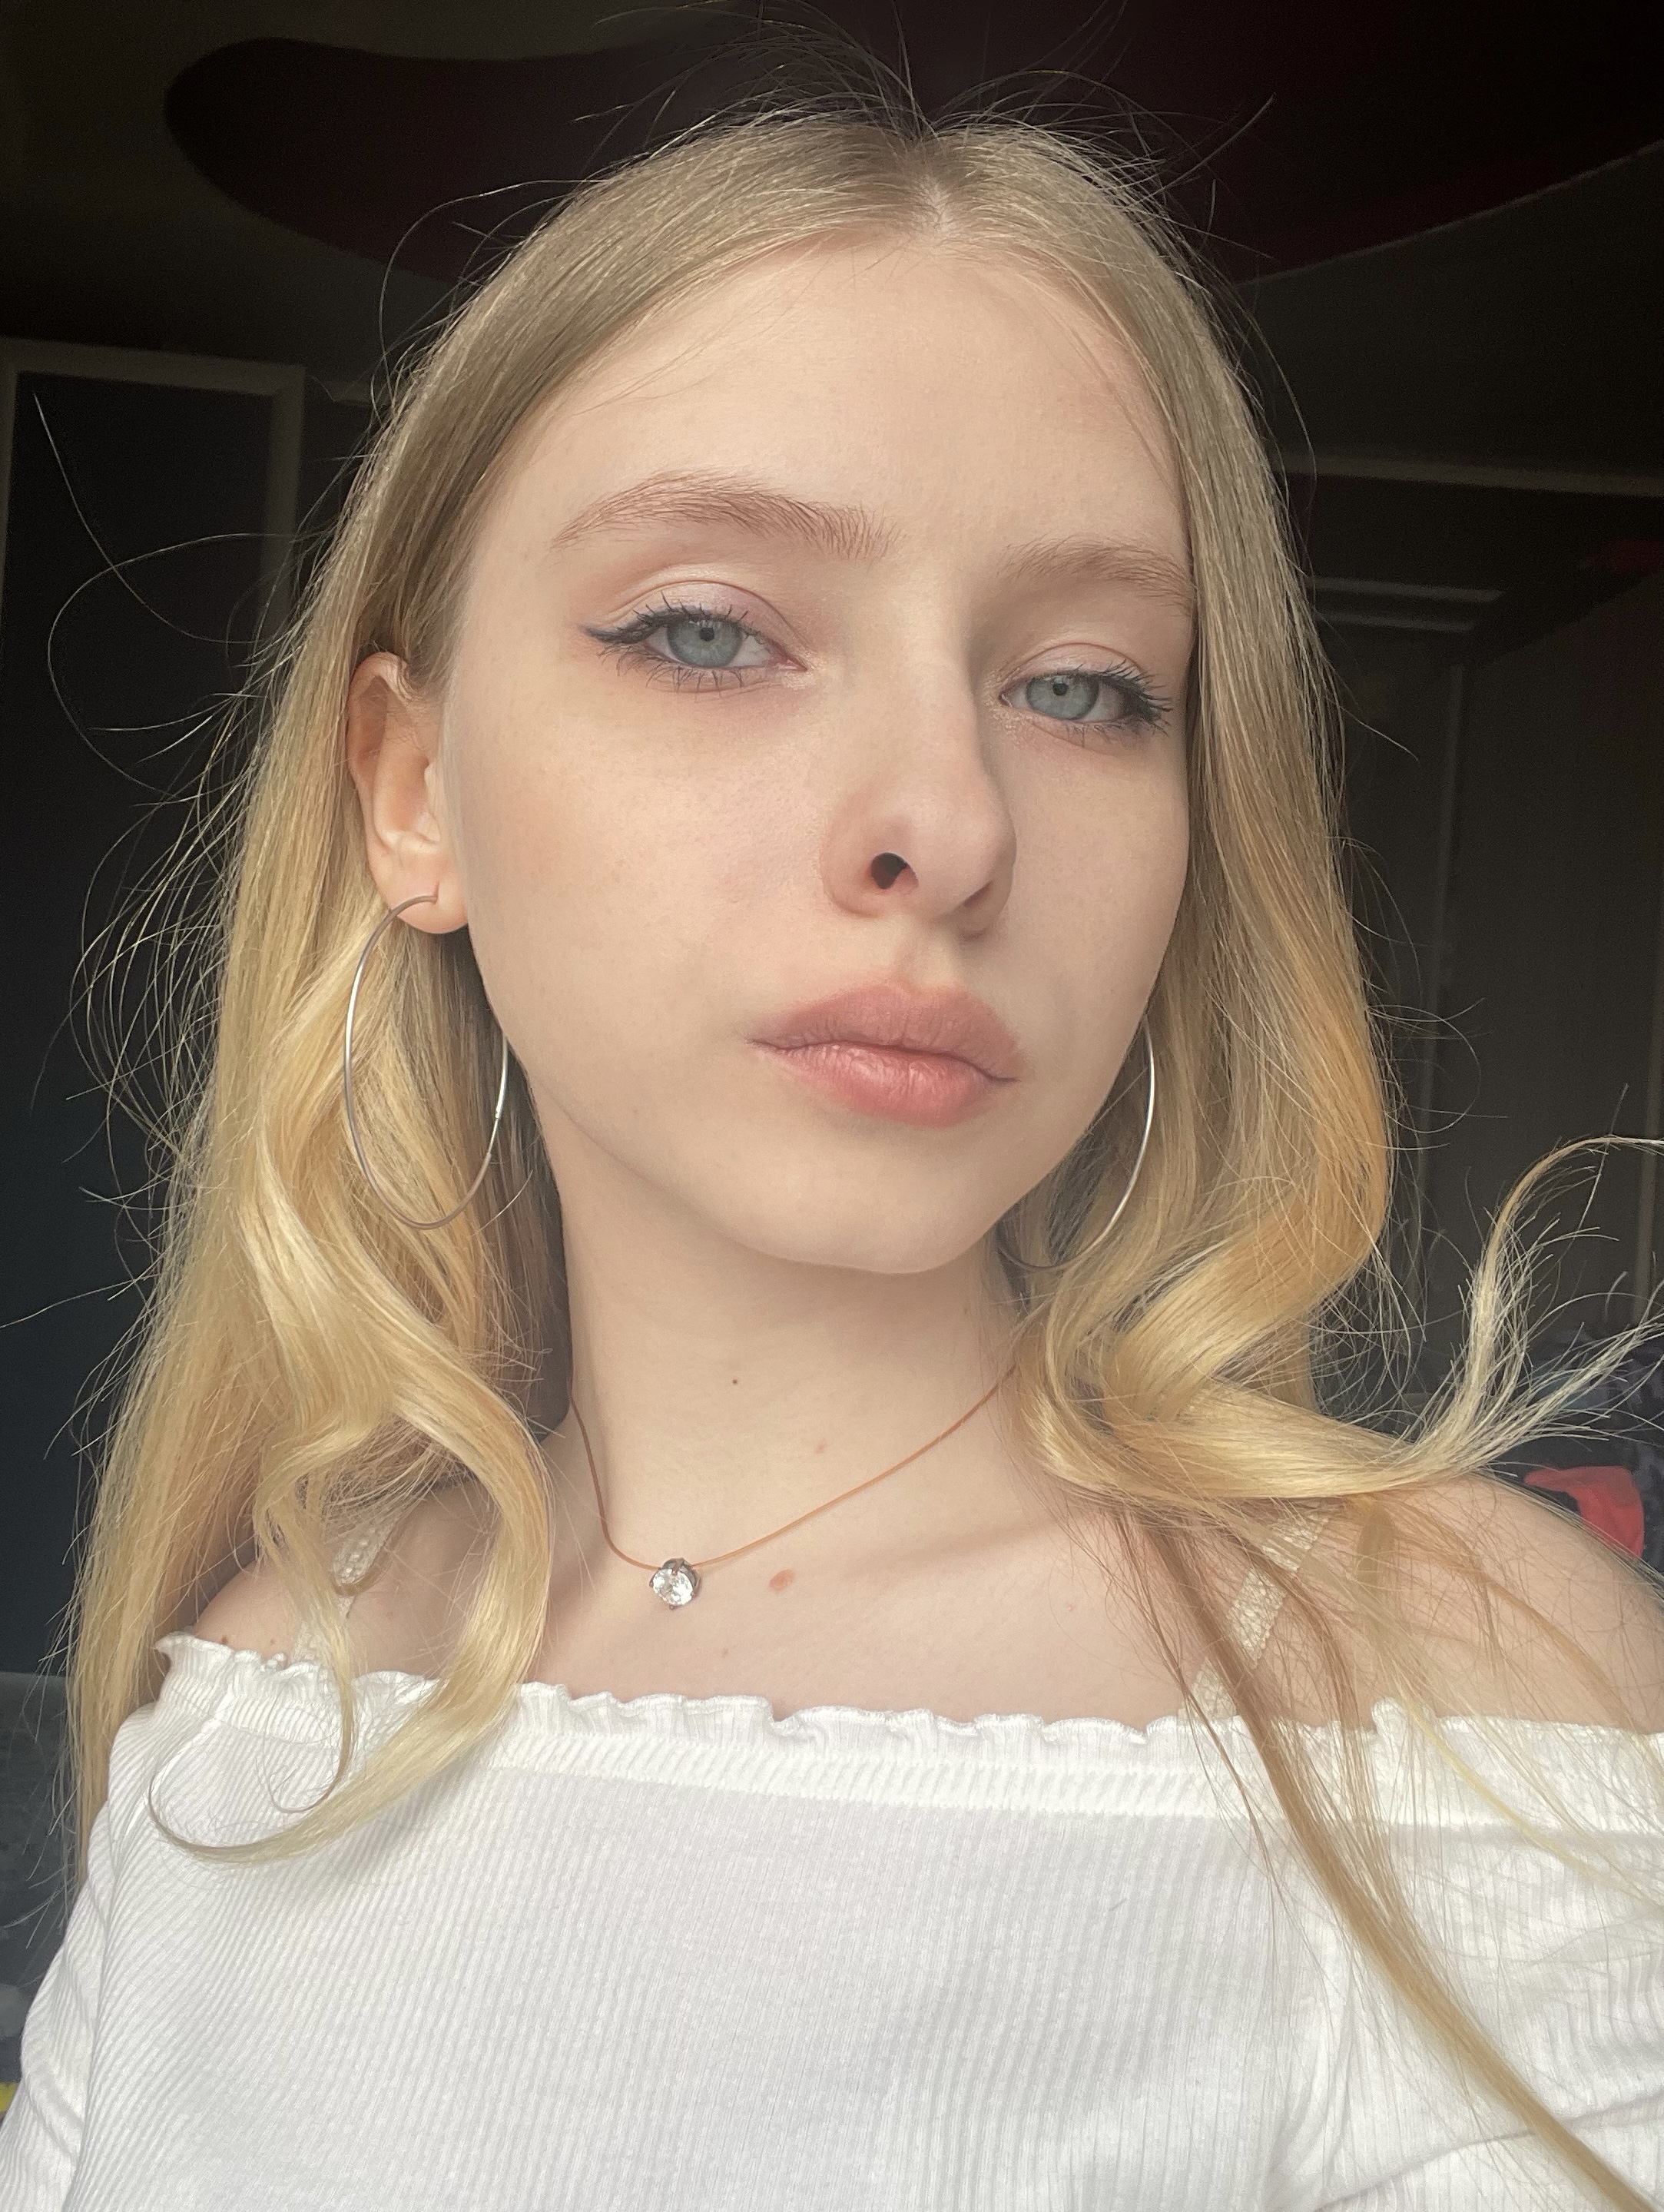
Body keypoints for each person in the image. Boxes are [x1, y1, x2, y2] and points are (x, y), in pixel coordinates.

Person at [3, 105, 1662, 2212]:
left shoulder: (1450, 1706)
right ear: (411, 790)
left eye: (1087, 686)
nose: (948, 825)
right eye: (709, 630)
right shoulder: (270, 1682)